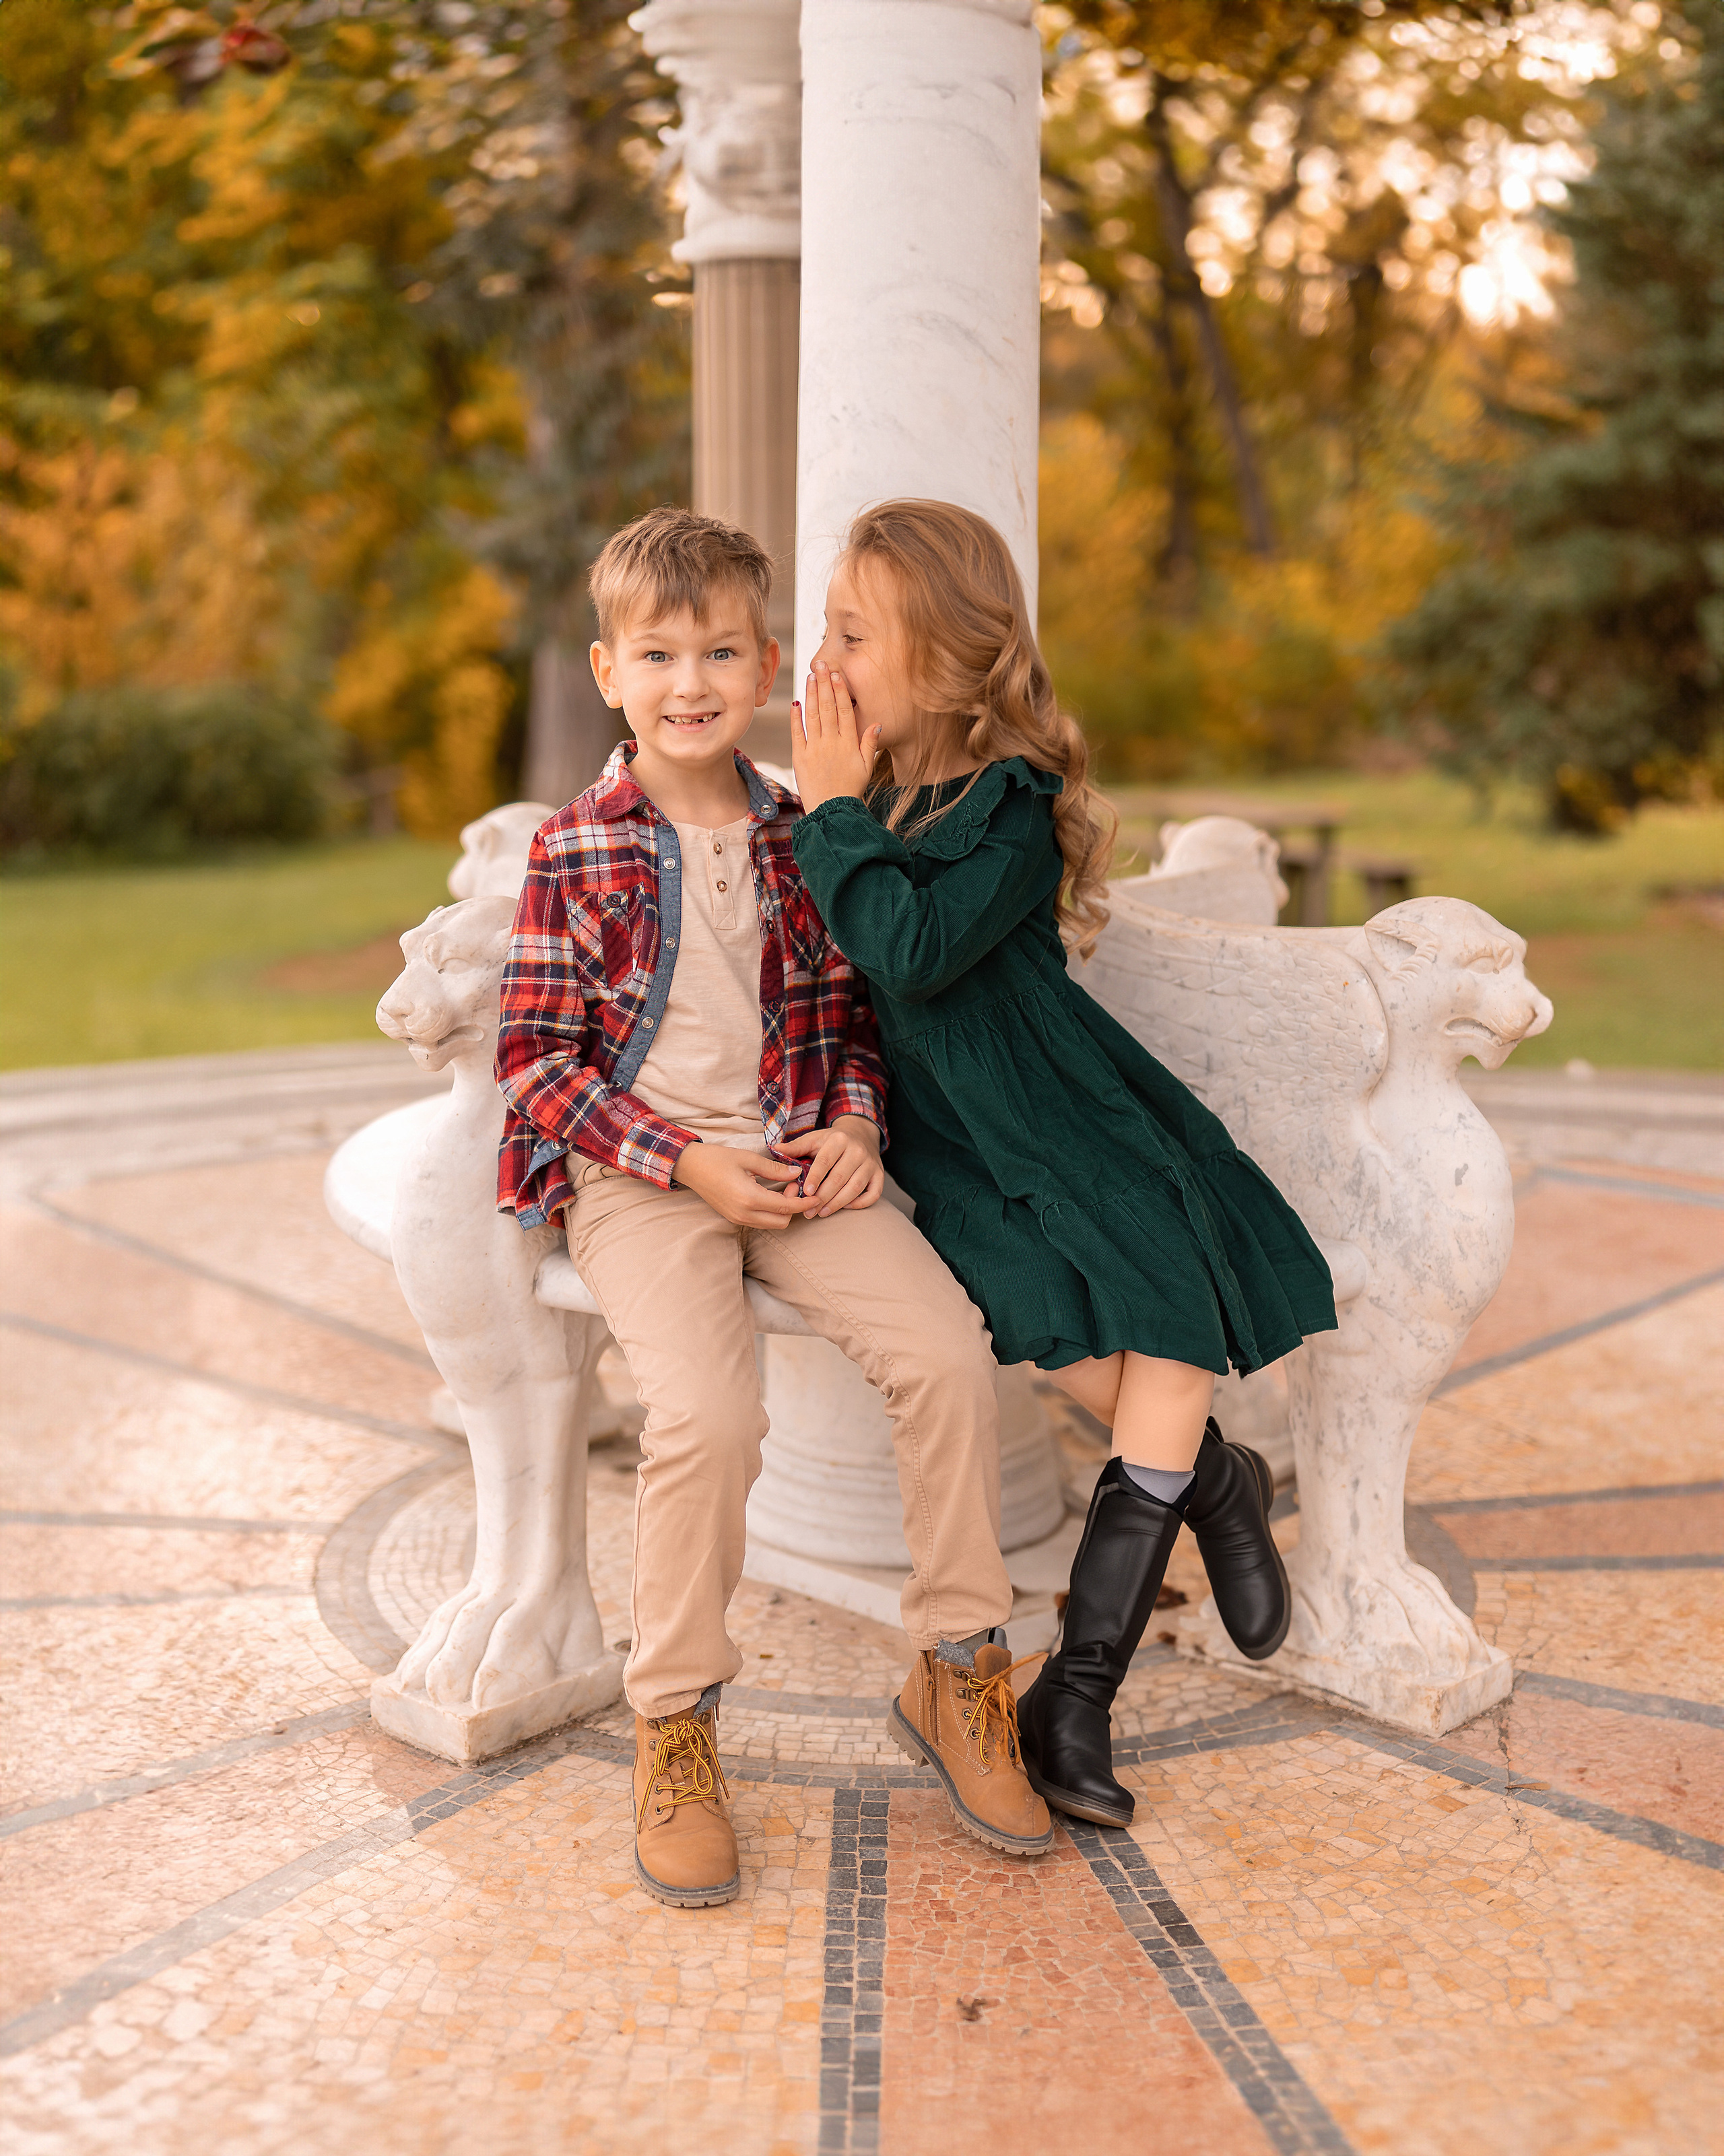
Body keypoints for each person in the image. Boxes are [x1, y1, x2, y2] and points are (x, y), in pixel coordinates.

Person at [494, 506, 1053, 1909]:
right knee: (707, 1412)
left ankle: (956, 1667)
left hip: (798, 1158)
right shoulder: (573, 850)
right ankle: (674, 1719)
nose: (690, 681)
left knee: (940, 1352)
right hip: (644, 1179)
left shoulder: (808, 830)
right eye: (658, 653)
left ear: (768, 669)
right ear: (607, 669)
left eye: (721, 651)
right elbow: (533, 1063)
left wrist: (856, 1122)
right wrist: (681, 1161)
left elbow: (849, 1019)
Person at [789, 500, 1338, 1831]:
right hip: (956, 1148)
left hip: (1064, 1107)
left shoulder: (1007, 802)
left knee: (1160, 1311)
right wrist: (834, 811)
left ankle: (1074, 1701)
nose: (825, 656)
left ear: (944, 658)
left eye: (854, 632)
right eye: (829, 625)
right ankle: (1210, 1476)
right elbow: (862, 967)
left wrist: (826, 815)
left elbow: (910, 945)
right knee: (1065, 1336)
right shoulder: (862, 801)